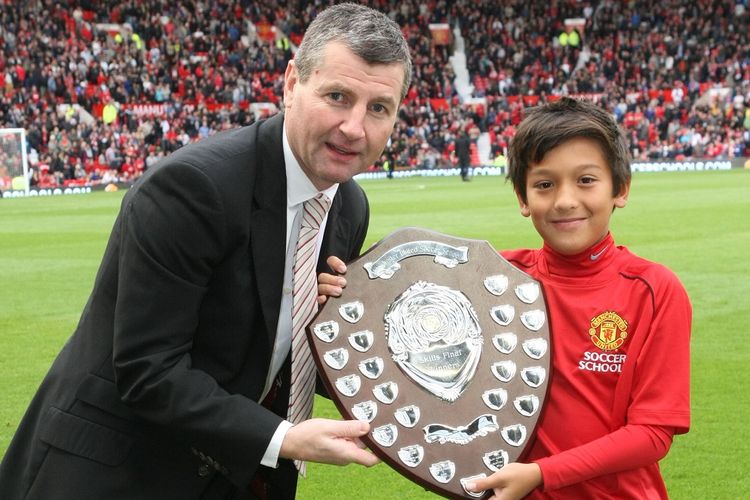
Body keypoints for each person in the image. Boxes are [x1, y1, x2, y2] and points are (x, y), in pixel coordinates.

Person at [0, 3, 411, 500]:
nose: (354, 128)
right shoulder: (194, 188)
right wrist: (279, 437)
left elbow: (267, 353)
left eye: (378, 108)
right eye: (337, 97)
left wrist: (332, 329)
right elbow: (148, 370)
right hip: (117, 471)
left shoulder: (348, 205)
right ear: (290, 83)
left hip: (230, 476)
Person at [318, 97, 691, 499]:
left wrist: (541, 474)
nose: (565, 200)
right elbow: (392, 318)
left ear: (620, 189)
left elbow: (652, 434)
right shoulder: (491, 279)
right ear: (523, 199)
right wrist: (341, 297)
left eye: (586, 180)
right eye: (545, 184)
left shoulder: (653, 289)